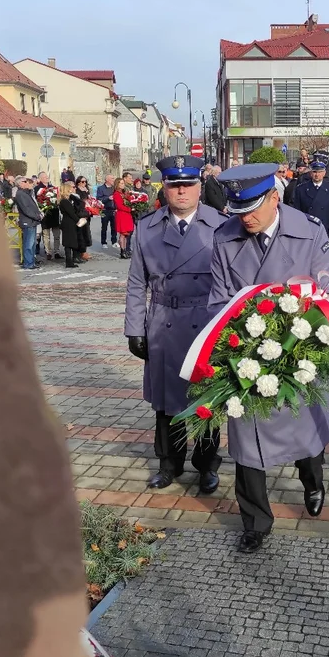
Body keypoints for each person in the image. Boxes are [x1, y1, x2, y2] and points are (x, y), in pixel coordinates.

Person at [209, 163, 329, 553]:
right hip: (246, 356)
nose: (245, 218)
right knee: (246, 441)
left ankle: (313, 483)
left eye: (252, 208)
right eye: (237, 210)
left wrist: (301, 341)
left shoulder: (309, 232)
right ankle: (255, 520)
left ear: (274, 198)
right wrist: (238, 343)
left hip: (299, 351)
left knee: (304, 429)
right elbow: (216, 301)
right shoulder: (224, 238)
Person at [125, 155, 226, 495]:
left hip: (207, 322)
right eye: (174, 185)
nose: (181, 191)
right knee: (167, 401)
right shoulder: (146, 227)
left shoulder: (221, 225)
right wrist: (134, 329)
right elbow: (136, 283)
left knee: (208, 399)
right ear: (164, 188)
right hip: (164, 321)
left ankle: (208, 465)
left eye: (188, 184)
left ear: (200, 187)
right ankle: (169, 464)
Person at [292, 159, 329, 243]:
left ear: (324, 173)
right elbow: (297, 212)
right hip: (307, 231)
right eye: (314, 172)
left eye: (320, 172)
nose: (317, 175)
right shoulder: (301, 189)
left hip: (325, 230)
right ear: (311, 173)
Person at [12, 175, 42, 270]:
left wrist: (38, 215)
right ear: (20, 184)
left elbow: (32, 206)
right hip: (27, 221)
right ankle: (28, 263)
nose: (27, 183)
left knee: (32, 243)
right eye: (25, 181)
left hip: (32, 221)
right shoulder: (20, 194)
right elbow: (26, 209)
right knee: (28, 244)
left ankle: (31, 262)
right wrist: (37, 216)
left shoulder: (26, 193)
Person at [57, 181, 82, 268]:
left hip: (70, 222)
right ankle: (69, 261)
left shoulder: (68, 199)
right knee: (68, 242)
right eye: (70, 188)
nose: (72, 189)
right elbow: (71, 213)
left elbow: (79, 202)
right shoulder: (64, 201)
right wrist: (78, 220)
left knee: (71, 241)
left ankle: (70, 260)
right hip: (68, 222)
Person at [113, 177, 134, 258]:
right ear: (117, 184)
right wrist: (129, 209)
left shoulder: (124, 192)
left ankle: (125, 250)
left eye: (123, 183)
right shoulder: (116, 194)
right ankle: (122, 252)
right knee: (122, 234)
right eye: (121, 183)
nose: (123, 185)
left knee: (126, 234)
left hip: (127, 215)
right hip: (122, 214)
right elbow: (119, 206)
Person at [96, 174, 118, 249]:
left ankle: (114, 241)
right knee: (104, 227)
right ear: (107, 180)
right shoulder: (100, 188)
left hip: (113, 209)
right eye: (112, 179)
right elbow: (99, 199)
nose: (113, 180)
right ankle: (103, 242)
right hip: (104, 210)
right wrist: (108, 198)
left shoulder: (114, 188)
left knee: (114, 226)